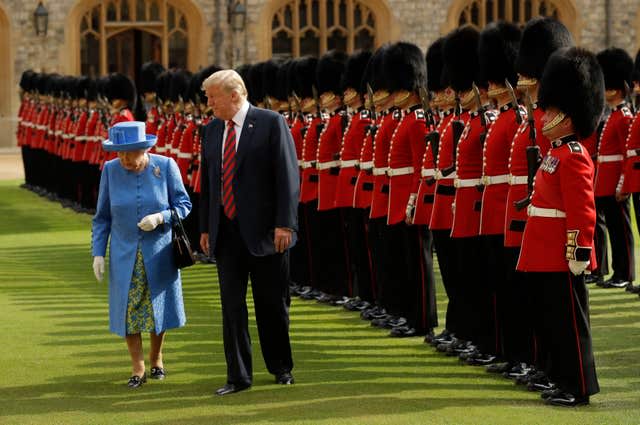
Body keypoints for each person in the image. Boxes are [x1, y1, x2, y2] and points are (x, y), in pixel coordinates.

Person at [198, 69, 299, 396]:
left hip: (267, 232)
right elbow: (208, 184)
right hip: (226, 233)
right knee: (231, 308)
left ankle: (281, 367)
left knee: (272, 305)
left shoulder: (270, 123)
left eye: (212, 97)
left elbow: (287, 175)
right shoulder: (212, 131)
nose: (208, 103)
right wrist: (204, 228)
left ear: (234, 94)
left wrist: (285, 222)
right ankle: (238, 376)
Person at [517, 46, 603, 406]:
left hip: (561, 253)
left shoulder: (573, 156)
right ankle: (559, 377)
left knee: (569, 323)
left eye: (551, 110)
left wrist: (580, 250)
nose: (544, 115)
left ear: (568, 117)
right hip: (541, 248)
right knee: (550, 321)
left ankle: (578, 385)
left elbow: (583, 209)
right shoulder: (554, 153)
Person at [91, 121, 192, 388]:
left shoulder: (166, 166)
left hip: (159, 252)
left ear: (144, 149)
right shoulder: (110, 170)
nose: (124, 159)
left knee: (156, 309)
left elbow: (184, 205)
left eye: (130, 153)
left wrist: (161, 217)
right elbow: (102, 218)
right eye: (119, 153)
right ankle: (138, 367)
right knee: (129, 312)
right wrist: (98, 253)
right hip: (124, 255)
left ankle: (156, 357)